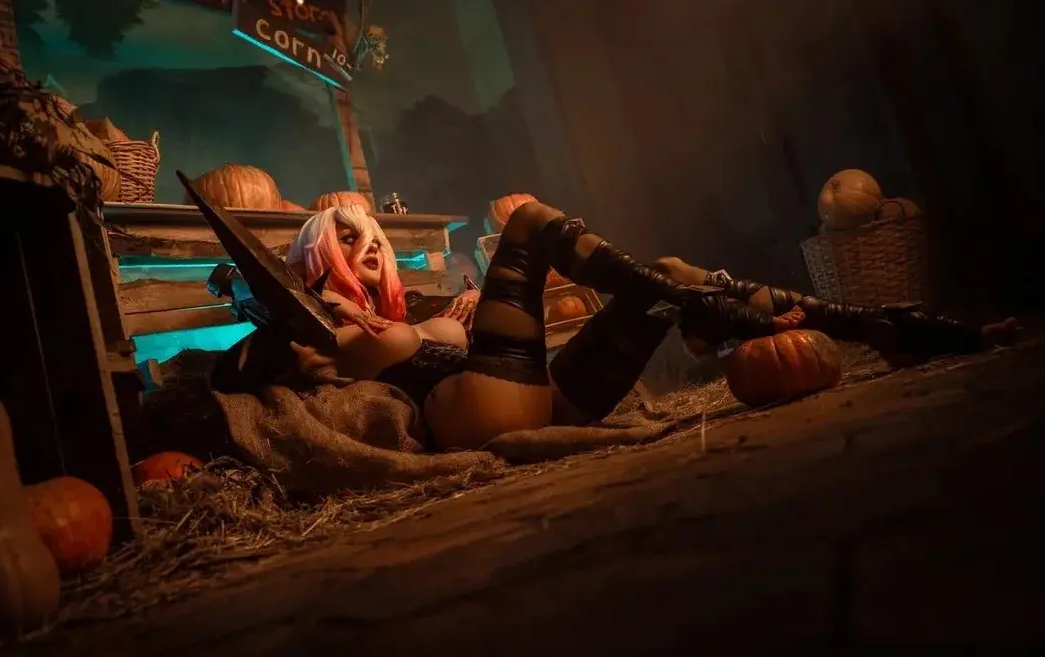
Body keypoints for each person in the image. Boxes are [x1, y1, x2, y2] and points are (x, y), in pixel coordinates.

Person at [245, 202, 1017, 453]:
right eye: (344, 237)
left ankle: (892, 327)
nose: (368, 244)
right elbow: (263, 360)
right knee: (528, 223)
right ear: (314, 262)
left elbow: (435, 344)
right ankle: (708, 317)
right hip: (487, 409)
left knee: (674, 270)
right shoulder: (324, 326)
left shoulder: (409, 312)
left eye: (372, 234)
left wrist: (455, 320)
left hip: (546, 398)